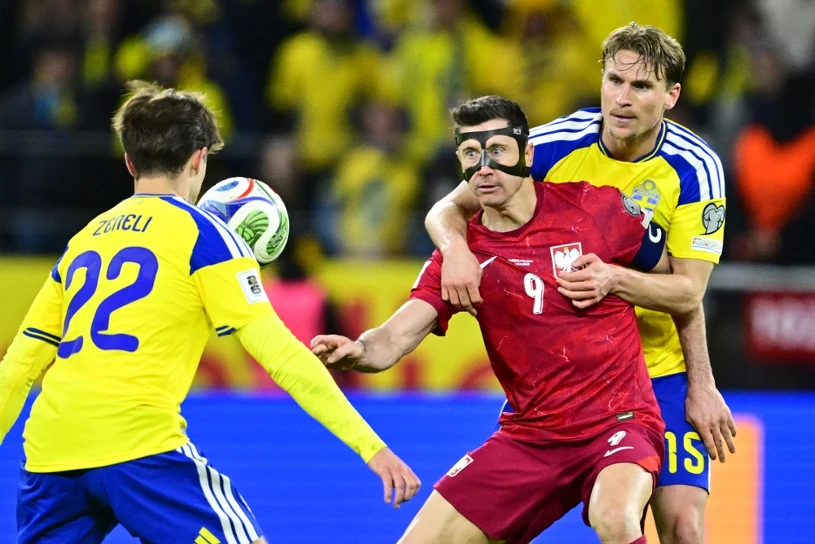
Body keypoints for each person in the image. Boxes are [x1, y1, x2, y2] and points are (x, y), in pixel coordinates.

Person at [0, 81, 420, 544]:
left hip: (51, 455)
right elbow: (282, 356)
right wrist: (371, 447)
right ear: (199, 159)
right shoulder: (206, 237)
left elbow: (18, 368)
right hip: (141, 449)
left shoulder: (82, 241)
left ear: (130, 162)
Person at [424, 23, 736, 544]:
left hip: (659, 373)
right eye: (615, 81)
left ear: (671, 96)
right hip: (572, 380)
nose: (623, 98)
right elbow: (447, 209)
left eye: (641, 86)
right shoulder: (551, 146)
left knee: (684, 526)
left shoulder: (695, 168)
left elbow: (688, 291)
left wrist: (700, 384)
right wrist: (455, 250)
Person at [313, 95, 668, 544]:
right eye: (470, 153)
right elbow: (393, 339)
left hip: (618, 421)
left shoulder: (596, 210)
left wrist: (617, 280)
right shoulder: (461, 257)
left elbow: (682, 287)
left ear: (528, 154)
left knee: (615, 517)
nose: (484, 167)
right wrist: (358, 350)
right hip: (531, 437)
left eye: (497, 150)